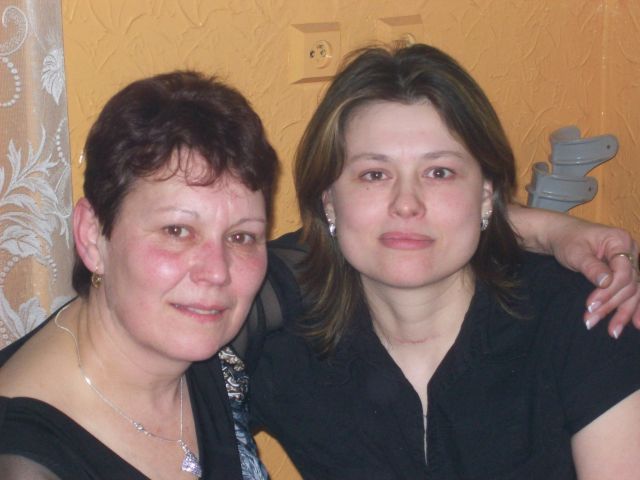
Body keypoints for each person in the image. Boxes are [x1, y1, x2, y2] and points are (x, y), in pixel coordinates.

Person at [248, 44, 640, 479]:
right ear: (329, 201)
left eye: (439, 173)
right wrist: (546, 227)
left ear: (486, 194)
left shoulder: (580, 315)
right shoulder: (284, 341)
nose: (406, 204)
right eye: (374, 175)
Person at [0, 71, 277, 479]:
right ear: (93, 236)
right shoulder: (25, 461)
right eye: (177, 231)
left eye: (241, 236)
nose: (217, 273)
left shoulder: (203, 332)